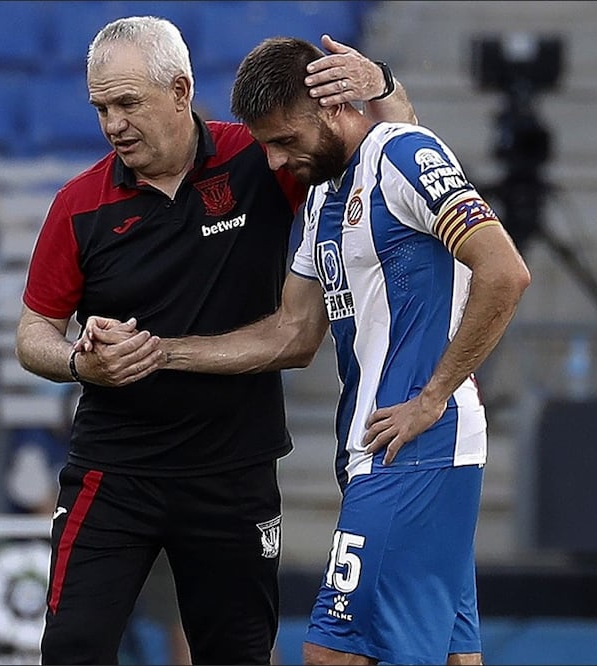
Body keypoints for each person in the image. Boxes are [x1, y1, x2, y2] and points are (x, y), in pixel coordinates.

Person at [82, 36, 532, 665]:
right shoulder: (322, 195)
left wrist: (433, 396)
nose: (272, 161)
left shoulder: (401, 154)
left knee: (333, 654)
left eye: (285, 140)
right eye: (263, 143)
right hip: (376, 449)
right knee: (454, 657)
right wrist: (157, 352)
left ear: (333, 108)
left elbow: (505, 272)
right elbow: (292, 332)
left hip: (413, 449)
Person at [14, 15, 417, 665]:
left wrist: (385, 87)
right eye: (100, 107)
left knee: (237, 656)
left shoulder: (262, 158)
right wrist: (77, 362)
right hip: (112, 471)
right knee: (72, 649)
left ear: (178, 91)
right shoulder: (77, 205)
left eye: (126, 103)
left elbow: (390, 155)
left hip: (232, 469)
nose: (112, 122)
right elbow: (33, 332)